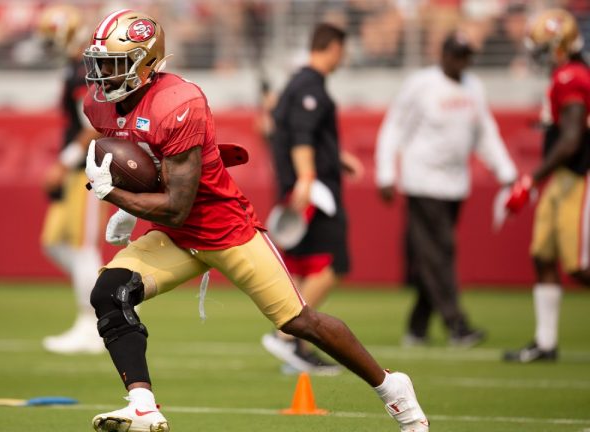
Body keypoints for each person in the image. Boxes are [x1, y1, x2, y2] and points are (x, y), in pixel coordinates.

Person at [81, 9, 428, 432]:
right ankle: (142, 406)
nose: (103, 75)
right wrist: (124, 206)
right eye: (100, 63)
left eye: (115, 64)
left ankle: (393, 389)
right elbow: (145, 165)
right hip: (175, 237)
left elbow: (178, 204)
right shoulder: (98, 108)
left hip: (223, 229)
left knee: (300, 321)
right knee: (109, 292)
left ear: (148, 62)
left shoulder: (179, 102)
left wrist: (114, 195)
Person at [375, 31, 517, 348]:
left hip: (455, 186)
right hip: (423, 181)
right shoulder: (421, 85)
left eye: (467, 56)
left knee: (432, 257)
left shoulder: (473, 87)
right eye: (457, 55)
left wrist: (506, 170)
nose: (462, 62)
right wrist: (386, 172)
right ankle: (457, 324)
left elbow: (485, 134)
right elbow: (394, 127)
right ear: (443, 55)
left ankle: (417, 327)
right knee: (440, 253)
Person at [261, 23, 364, 376]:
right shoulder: (310, 87)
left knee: (306, 267)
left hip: (304, 187)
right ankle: (286, 335)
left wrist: (338, 158)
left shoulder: (296, 83)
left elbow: (288, 130)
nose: (343, 58)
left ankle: (297, 346)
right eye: (342, 50)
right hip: (314, 193)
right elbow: (302, 136)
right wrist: (306, 176)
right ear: (333, 47)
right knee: (333, 264)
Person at [503, 8, 590, 363]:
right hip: (563, 177)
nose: (539, 56)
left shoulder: (571, 76)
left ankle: (545, 341)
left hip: (578, 176)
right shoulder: (566, 75)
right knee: (543, 254)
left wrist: (530, 178)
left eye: (543, 48)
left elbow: (571, 138)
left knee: (580, 266)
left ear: (559, 45)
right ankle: (545, 341)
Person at [36, 4, 104, 355]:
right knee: (54, 242)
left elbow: (93, 125)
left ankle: (93, 324)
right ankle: (109, 295)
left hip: (86, 171)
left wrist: (64, 163)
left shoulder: (84, 70)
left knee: (82, 248)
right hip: (76, 170)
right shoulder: (74, 67)